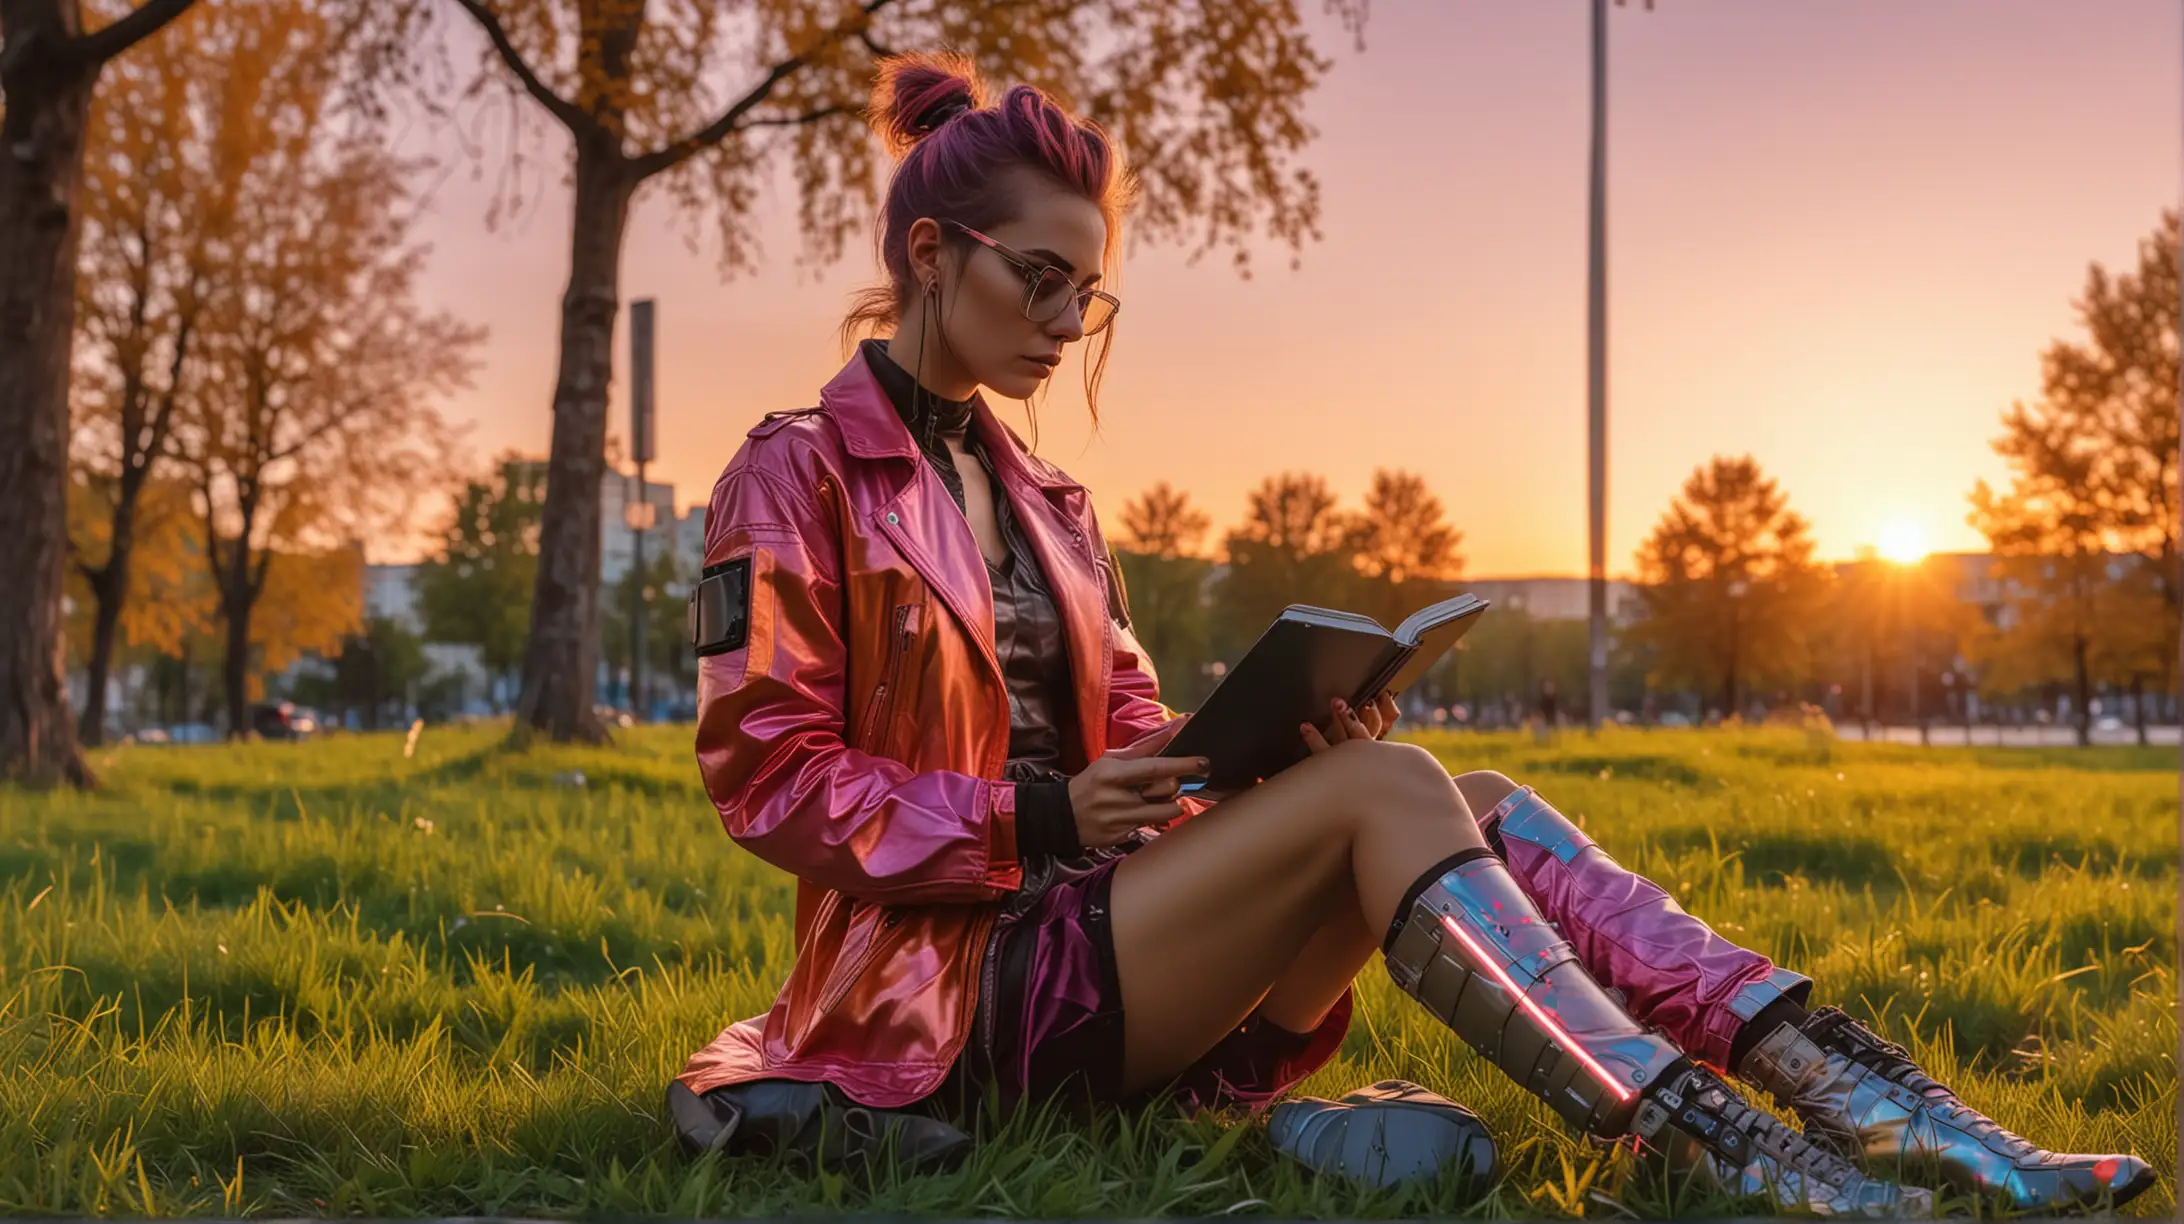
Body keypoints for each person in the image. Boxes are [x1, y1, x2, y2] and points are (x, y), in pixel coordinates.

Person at [669, 52, 2152, 1215]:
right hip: (948, 999)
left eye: (1089, 292)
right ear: (933, 256)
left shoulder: (1051, 499)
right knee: (1400, 792)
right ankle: (1727, 1159)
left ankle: (1890, 1115)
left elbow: (1133, 739)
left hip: (1112, 943)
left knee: (1472, 801)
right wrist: (1032, 812)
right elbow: (765, 777)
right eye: (1036, 280)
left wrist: (1247, 763)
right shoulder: (791, 475)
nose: (1065, 323)